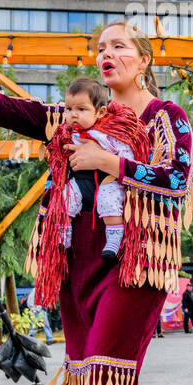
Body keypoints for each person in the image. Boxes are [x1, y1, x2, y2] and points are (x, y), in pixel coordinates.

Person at [0, 17, 193, 385]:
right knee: (106, 372)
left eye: (119, 46)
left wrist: (108, 162)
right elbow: (1, 107)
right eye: (101, 47)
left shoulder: (166, 116)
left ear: (143, 61)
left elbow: (177, 179)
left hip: (137, 258)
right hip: (78, 261)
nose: (106, 53)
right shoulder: (75, 114)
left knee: (106, 361)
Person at [54, 77, 142, 261]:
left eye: (81, 109)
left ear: (100, 112)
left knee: (109, 203)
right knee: (65, 200)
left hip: (106, 179)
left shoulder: (107, 132)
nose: (73, 115)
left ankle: (113, 240)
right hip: (80, 179)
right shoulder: (68, 132)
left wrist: (123, 162)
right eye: (69, 109)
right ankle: (64, 237)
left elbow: (123, 148)